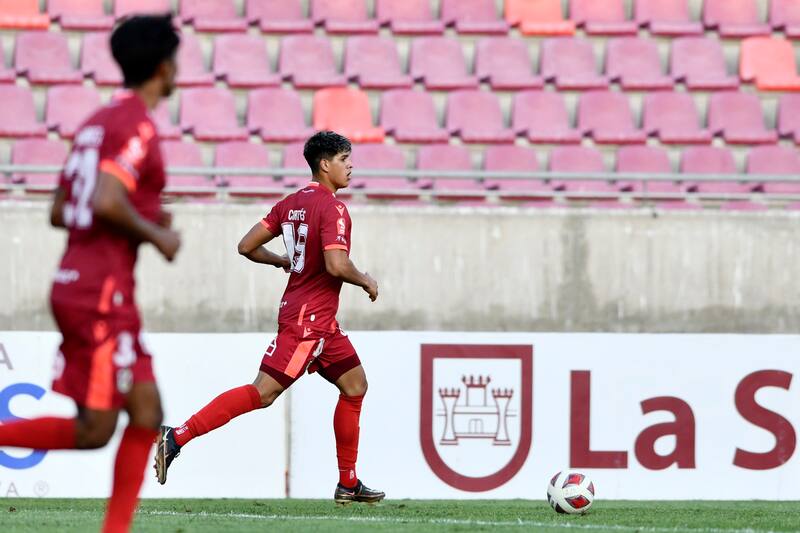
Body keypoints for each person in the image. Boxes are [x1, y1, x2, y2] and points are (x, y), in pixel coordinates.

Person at [0, 15, 181, 533]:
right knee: (95, 430)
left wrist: (142, 217)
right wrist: (158, 234)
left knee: (147, 411)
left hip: (86, 283)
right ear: (164, 66)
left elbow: (61, 209)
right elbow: (104, 199)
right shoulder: (136, 124)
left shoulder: (95, 122)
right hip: (99, 292)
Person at [155, 131, 384, 504]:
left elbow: (246, 246)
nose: (351, 166)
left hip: (319, 321)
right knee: (263, 394)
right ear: (325, 165)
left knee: (355, 385)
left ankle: (348, 483)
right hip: (308, 322)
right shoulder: (333, 207)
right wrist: (366, 280)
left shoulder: (290, 203)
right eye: (345, 159)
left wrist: (281, 259)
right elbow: (336, 263)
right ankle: (177, 436)